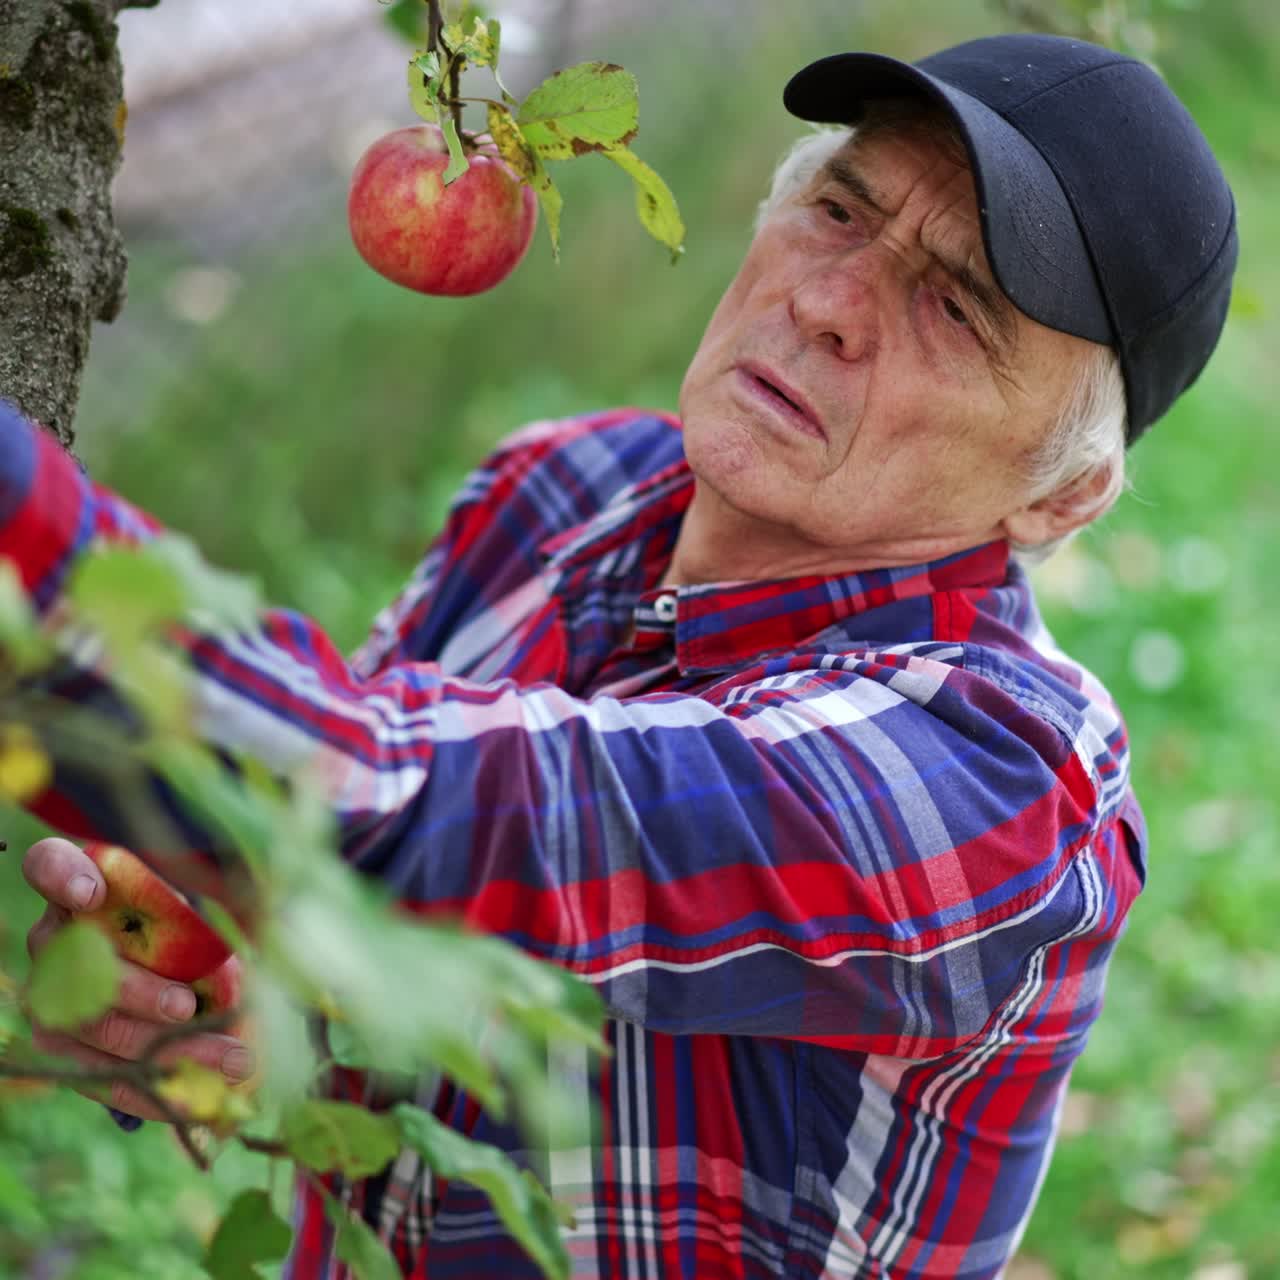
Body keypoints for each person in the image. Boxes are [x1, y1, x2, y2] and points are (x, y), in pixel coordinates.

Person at [4, 30, 1236, 1280]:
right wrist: (217, 996)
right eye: (835, 208)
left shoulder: (1007, 781)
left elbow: (424, 808)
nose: (826, 302)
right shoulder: (560, 485)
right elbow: (339, 908)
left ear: (1061, 494)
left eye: (955, 308)